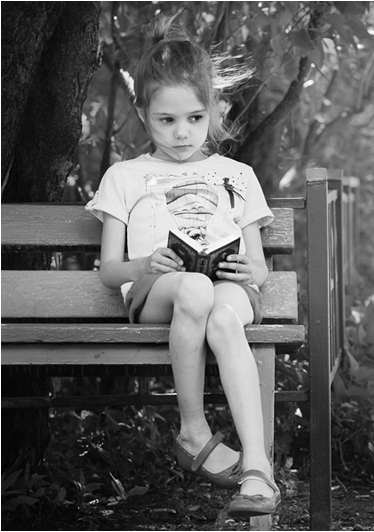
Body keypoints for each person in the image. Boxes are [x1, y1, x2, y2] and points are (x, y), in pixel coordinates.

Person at [85, 13, 279, 518]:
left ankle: (257, 468)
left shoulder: (237, 175)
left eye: (194, 118)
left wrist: (249, 272)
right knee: (193, 288)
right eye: (166, 121)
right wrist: (144, 265)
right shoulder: (125, 176)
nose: (181, 132)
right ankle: (193, 431)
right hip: (160, 291)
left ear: (214, 109)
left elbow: (259, 268)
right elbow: (108, 271)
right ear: (143, 113)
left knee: (223, 316)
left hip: (227, 288)